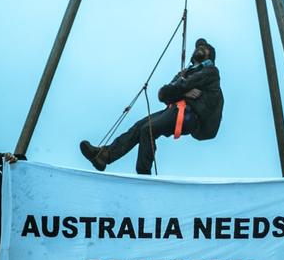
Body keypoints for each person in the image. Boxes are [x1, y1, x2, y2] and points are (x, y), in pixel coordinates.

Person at [80, 38, 224, 175]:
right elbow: (164, 95)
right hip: (177, 109)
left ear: (210, 55)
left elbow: (174, 89)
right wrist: (183, 90)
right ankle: (105, 155)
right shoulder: (187, 73)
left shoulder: (210, 71)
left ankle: (143, 174)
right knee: (140, 127)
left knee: (148, 129)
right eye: (198, 47)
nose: (200, 48)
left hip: (189, 114)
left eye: (204, 48)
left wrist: (181, 89)